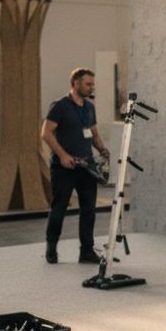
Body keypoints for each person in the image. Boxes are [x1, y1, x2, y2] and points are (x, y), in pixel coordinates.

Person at [40, 68, 109, 264]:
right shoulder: (60, 106)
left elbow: (93, 133)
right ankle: (51, 248)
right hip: (64, 167)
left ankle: (86, 251)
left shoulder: (89, 107)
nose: (91, 87)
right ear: (76, 84)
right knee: (59, 207)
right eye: (88, 84)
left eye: (92, 84)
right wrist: (62, 155)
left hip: (86, 166)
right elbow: (46, 133)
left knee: (89, 210)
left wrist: (102, 149)